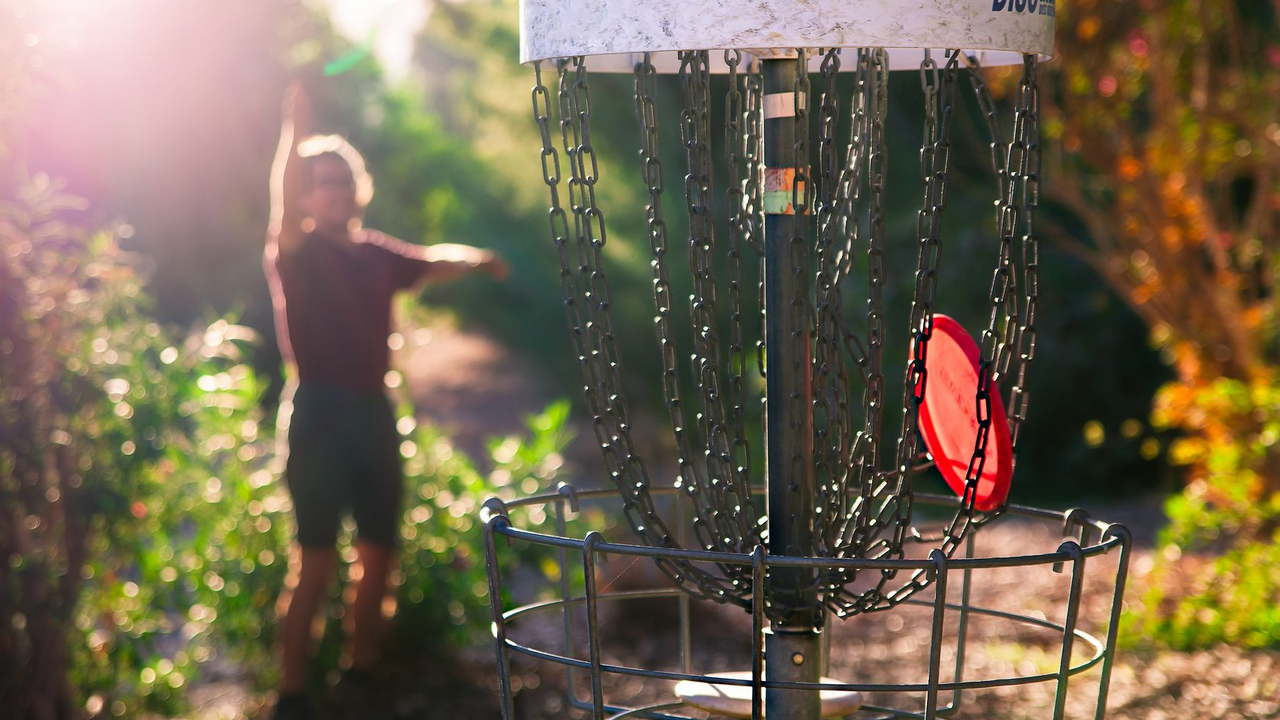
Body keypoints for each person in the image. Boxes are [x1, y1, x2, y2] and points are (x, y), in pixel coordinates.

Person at [263, 83, 508, 720]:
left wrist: (477, 260)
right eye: (321, 183)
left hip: (374, 415)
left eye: (342, 181)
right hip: (318, 414)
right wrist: (297, 129)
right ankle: (290, 694)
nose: (334, 192)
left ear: (357, 189)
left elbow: (431, 260)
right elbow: (281, 199)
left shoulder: (375, 254)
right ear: (306, 195)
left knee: (378, 554)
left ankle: (361, 671)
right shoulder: (296, 251)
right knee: (314, 560)